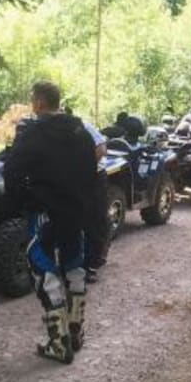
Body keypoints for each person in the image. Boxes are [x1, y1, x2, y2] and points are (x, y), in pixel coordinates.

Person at [4, 81, 98, 364]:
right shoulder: (81, 130)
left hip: (44, 211)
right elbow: (92, 168)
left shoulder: (33, 132)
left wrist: (19, 202)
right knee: (74, 265)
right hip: (77, 211)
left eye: (33, 99)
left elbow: (12, 171)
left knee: (43, 267)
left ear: (40, 103)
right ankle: (75, 332)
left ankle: (59, 344)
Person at [81, 120, 109, 284]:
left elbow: (101, 149)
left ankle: (90, 265)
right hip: (70, 177)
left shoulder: (84, 126)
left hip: (94, 176)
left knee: (95, 220)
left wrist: (85, 169)